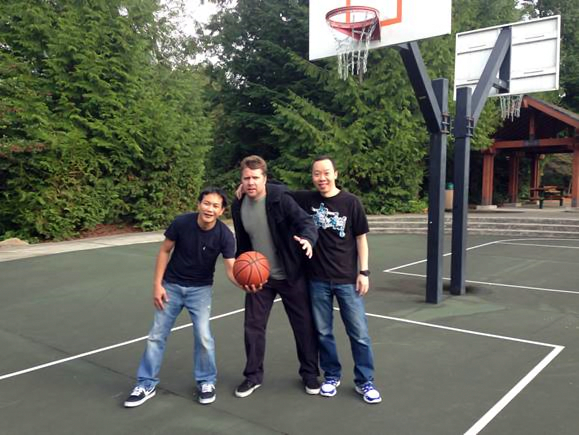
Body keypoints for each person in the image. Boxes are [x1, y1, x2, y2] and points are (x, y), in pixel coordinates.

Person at [124, 187, 237, 408]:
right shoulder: (181, 223)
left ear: (222, 211)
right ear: (199, 204)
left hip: (200, 290)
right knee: (156, 336)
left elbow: (231, 269)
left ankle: (206, 381)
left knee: (204, 336)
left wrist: (247, 285)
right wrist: (157, 285)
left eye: (215, 205)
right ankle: (145, 383)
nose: (209, 209)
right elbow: (164, 251)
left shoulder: (225, 235)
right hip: (171, 287)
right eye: (206, 203)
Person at [292, 156, 382, 404]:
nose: (322, 178)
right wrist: (246, 187)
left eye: (326, 173)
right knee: (323, 333)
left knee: (359, 333)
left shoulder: (351, 202)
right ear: (312, 176)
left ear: (336, 174)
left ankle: (365, 381)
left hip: (346, 280)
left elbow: (361, 239)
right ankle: (332, 376)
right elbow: (278, 191)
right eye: (316, 174)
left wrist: (363, 272)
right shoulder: (307, 200)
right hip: (317, 280)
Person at [231, 155, 321, 398]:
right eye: (246, 178)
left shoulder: (280, 199)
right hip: (260, 276)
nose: (250, 182)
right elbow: (242, 243)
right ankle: (253, 376)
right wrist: (244, 273)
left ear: (265, 179)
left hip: (291, 273)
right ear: (241, 180)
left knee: (303, 326)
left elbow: (307, 223)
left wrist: (308, 240)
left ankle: (310, 374)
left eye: (255, 178)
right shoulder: (238, 205)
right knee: (253, 326)